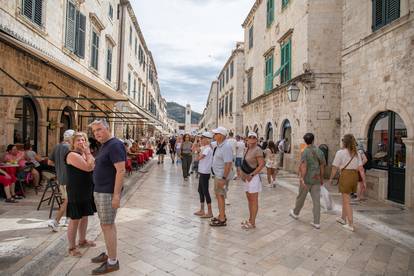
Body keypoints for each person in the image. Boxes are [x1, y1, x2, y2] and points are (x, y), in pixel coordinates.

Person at [90, 119, 126, 274]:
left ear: (107, 128)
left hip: (107, 192)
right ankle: (109, 253)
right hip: (100, 190)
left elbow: (121, 171)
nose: (97, 133)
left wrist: (116, 196)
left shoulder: (115, 145)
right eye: (94, 131)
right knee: (108, 224)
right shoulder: (105, 145)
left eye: (99, 129)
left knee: (107, 226)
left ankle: (112, 261)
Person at [65, 132, 96, 257]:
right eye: (78, 140)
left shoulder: (83, 154)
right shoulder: (72, 155)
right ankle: (72, 247)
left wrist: (88, 155)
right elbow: (89, 167)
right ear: (72, 143)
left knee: (84, 216)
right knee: (75, 219)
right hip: (76, 190)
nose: (81, 142)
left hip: (86, 189)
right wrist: (88, 153)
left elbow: (93, 165)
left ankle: (82, 240)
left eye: (83, 140)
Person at [328, 134, 366, 232]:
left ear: (344, 142)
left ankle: (351, 224)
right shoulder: (357, 153)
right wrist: (364, 182)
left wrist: (331, 179)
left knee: (346, 201)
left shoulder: (340, 152)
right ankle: (342, 218)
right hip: (354, 176)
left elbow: (334, 167)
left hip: (346, 176)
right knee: (345, 198)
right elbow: (360, 168)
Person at [289, 133, 326, 229]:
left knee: (301, 197)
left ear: (305, 141)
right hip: (317, 179)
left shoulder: (305, 152)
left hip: (307, 179)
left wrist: (302, 178)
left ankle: (296, 213)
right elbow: (322, 166)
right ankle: (317, 222)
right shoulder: (320, 152)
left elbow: (304, 167)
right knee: (316, 201)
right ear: (313, 140)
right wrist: (321, 178)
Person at [47, 129, 74, 232]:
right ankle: (56, 221)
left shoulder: (57, 147)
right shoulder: (70, 148)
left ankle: (68, 219)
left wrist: (59, 166)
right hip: (69, 178)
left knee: (67, 200)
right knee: (68, 201)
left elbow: (49, 162)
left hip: (60, 178)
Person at [240, 132, 265, 229]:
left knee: (254, 200)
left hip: (253, 178)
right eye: (250, 137)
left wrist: (252, 174)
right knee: (249, 200)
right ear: (247, 139)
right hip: (247, 178)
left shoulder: (258, 149)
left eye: (254, 137)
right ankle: (250, 219)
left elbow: (262, 164)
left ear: (256, 139)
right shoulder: (247, 149)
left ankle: (253, 222)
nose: (251, 138)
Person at [209, 127, 233, 227]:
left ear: (222, 136)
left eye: (216, 134)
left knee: (220, 196)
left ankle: (222, 219)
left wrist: (223, 179)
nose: (214, 136)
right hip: (218, 175)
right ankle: (221, 214)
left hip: (221, 176)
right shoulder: (219, 145)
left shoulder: (226, 146)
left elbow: (228, 164)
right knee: (219, 196)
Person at [193, 132, 214, 218]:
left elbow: (198, 158)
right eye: (201, 138)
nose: (201, 140)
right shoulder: (204, 147)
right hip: (202, 171)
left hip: (205, 172)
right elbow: (193, 148)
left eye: (202, 138)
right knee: (200, 190)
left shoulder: (208, 149)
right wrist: (195, 140)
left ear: (207, 139)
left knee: (205, 191)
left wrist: (197, 153)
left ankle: (210, 212)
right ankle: (202, 210)